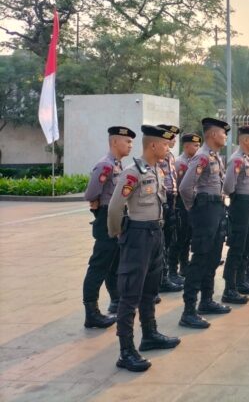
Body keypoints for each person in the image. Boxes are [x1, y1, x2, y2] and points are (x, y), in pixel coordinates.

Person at [107, 125, 181, 372]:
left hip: (155, 234)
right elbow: (115, 207)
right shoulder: (133, 172)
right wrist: (118, 233)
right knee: (130, 295)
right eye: (165, 144)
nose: (168, 147)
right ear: (152, 145)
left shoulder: (155, 170)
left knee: (150, 290)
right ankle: (126, 351)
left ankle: (149, 335)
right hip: (137, 236)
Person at [178, 117, 231, 329]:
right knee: (200, 258)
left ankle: (206, 301)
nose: (225, 136)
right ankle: (188, 310)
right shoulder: (201, 158)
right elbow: (184, 187)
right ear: (211, 135)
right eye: (222, 133)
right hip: (206, 210)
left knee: (213, 256)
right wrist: (195, 208)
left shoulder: (214, 157)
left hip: (217, 209)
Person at [82, 126, 134, 329]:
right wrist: (96, 204)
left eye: (131, 142)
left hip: (117, 216)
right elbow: (90, 193)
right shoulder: (105, 166)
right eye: (127, 141)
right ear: (114, 142)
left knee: (115, 262)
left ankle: (116, 299)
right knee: (99, 265)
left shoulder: (118, 165)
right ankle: (91, 312)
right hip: (105, 218)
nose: (130, 145)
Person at [222, 125, 249, 304]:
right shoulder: (237, 159)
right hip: (240, 205)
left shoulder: (248, 158)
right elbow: (228, 186)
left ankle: (242, 281)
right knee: (237, 246)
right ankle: (229, 288)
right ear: (245, 140)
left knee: (247, 244)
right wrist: (239, 200)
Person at [168, 132, 201, 284]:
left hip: (192, 204)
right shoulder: (180, 163)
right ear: (186, 146)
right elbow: (179, 187)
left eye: (199, 145)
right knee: (178, 239)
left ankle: (184, 266)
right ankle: (172, 271)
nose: (198, 147)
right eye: (195, 145)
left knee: (187, 237)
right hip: (181, 205)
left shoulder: (196, 161)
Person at [156, 124, 183, 293]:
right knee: (161, 242)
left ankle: (168, 274)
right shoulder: (157, 158)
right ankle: (162, 278)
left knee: (170, 239)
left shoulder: (170, 157)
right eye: (170, 137)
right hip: (162, 200)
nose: (173, 140)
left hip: (172, 199)